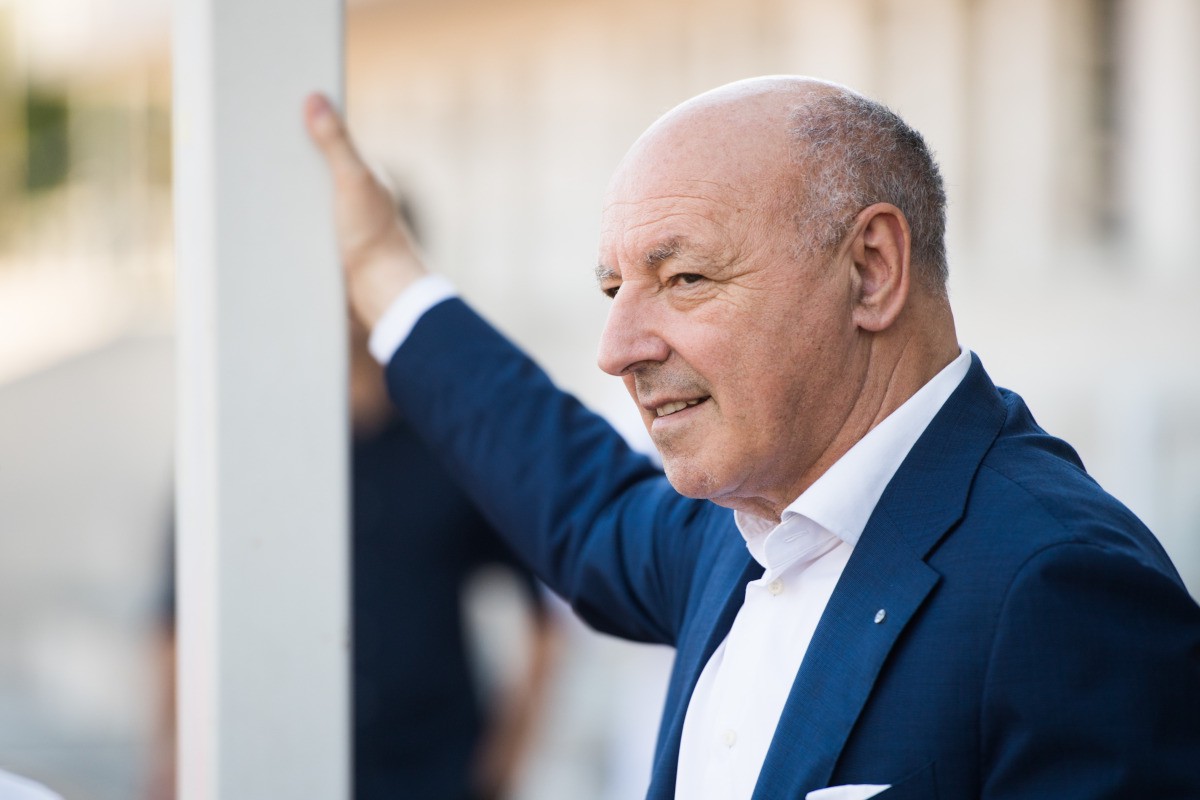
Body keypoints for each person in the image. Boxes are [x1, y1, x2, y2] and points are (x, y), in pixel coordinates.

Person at [304, 76, 1200, 799]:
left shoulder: (1061, 587)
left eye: (684, 277)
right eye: (615, 290)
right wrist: (383, 267)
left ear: (871, 271)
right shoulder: (736, 535)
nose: (617, 350)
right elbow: (569, 491)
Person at [148, 321, 558, 800]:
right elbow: (178, 615)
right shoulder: (242, 446)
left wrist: (506, 758)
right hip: (281, 765)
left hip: (435, 771)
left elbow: (547, 612)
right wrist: (170, 760)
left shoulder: (452, 439)